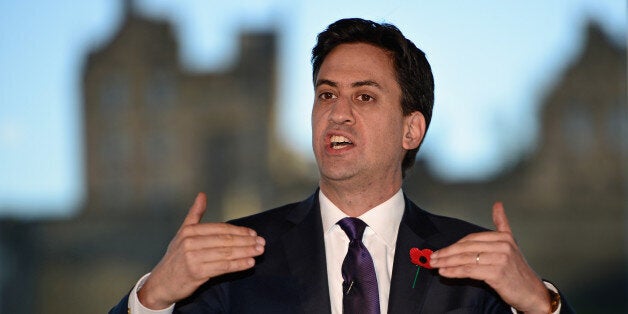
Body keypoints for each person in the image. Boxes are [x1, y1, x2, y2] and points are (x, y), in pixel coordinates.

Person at [110, 18, 573, 313]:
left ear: (412, 130)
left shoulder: (476, 266)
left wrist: (539, 303)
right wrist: (153, 298)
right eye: (327, 94)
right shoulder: (237, 258)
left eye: (365, 97)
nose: (338, 112)